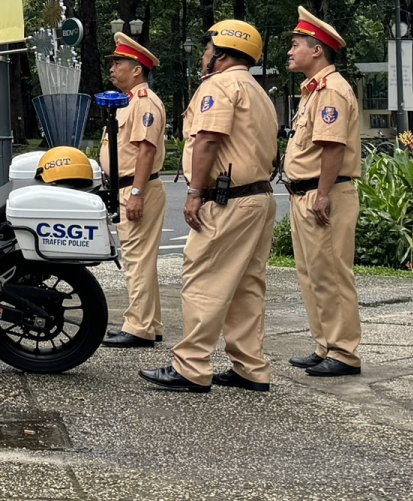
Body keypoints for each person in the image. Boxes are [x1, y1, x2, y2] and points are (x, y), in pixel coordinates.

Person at [141, 19, 280, 394]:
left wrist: (194, 192)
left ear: (220, 53)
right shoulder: (257, 90)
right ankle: (251, 367)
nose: (204, 56)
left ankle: (191, 365)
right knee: (247, 285)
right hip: (259, 197)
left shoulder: (219, 85)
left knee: (203, 277)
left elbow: (207, 141)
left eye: (207, 50)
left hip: (228, 199)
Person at [283, 7, 363, 378]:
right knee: (312, 273)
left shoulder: (331, 90)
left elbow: (332, 147)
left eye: (296, 44)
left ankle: (344, 352)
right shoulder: (313, 91)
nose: (290, 50)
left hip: (322, 193)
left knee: (331, 273)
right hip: (307, 192)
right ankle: (324, 344)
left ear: (317, 50)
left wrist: (324, 193)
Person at [100, 33, 170, 349]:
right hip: (129, 187)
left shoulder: (144, 102)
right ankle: (149, 323)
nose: (113, 68)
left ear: (137, 69)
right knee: (140, 260)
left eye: (118, 63)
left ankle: (138, 326)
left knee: (137, 261)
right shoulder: (129, 101)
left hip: (136, 188)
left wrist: (137, 193)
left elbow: (145, 150)